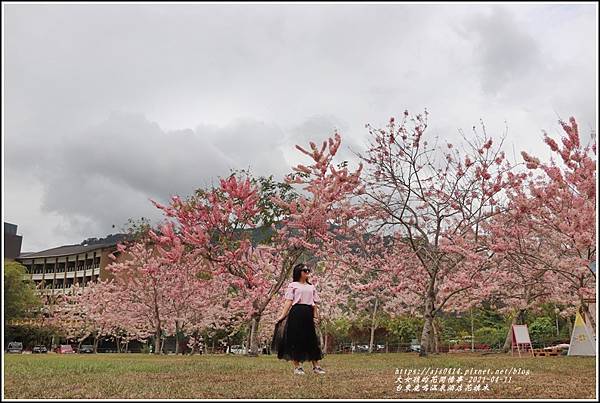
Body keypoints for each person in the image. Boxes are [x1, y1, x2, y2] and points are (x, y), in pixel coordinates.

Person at [271, 263, 326, 375]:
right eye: (305, 270)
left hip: (308, 313)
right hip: (296, 312)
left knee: (311, 339)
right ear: (299, 272)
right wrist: (282, 315)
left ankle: (316, 366)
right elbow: (289, 301)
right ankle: (297, 367)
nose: (307, 272)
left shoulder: (312, 287)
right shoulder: (293, 285)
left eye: (308, 270)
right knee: (295, 339)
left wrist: (316, 315)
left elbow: (316, 303)